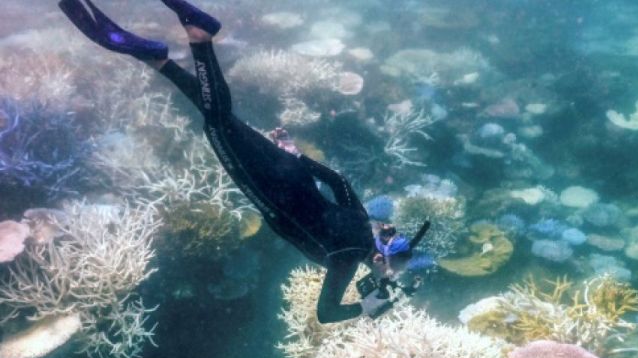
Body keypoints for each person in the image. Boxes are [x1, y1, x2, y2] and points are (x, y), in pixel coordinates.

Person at [58, 0, 428, 323]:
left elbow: (340, 184)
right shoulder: (346, 258)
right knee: (217, 122)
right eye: (390, 270)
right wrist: (365, 307)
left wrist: (298, 158)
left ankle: (154, 57)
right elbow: (327, 313)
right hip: (266, 184)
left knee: (223, 119)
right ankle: (200, 38)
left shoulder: (364, 222)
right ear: (380, 261)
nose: (388, 276)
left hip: (290, 172)